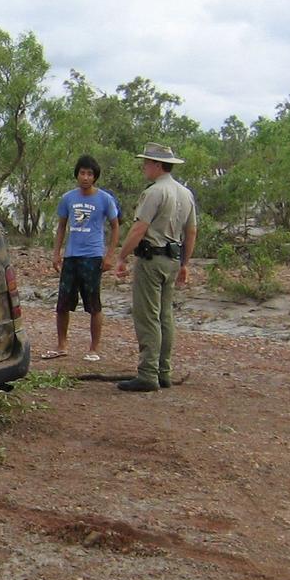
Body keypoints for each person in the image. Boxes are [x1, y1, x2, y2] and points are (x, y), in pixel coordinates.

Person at [114, 142, 198, 392]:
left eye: (147, 163)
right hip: (172, 259)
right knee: (165, 315)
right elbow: (191, 231)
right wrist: (185, 263)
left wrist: (122, 256)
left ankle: (148, 373)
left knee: (148, 315)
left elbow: (140, 227)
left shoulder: (154, 192)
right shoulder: (185, 193)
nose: (144, 167)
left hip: (152, 259)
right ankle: (164, 371)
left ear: (158, 165)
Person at [44, 155, 119, 362]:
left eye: (89, 174)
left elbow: (115, 226)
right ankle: (62, 345)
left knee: (93, 304)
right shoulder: (68, 198)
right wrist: (56, 253)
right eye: (82, 173)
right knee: (63, 304)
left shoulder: (105, 199)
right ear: (77, 174)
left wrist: (110, 255)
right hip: (71, 256)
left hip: (93, 256)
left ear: (95, 177)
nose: (85, 177)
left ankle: (94, 348)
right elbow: (61, 227)